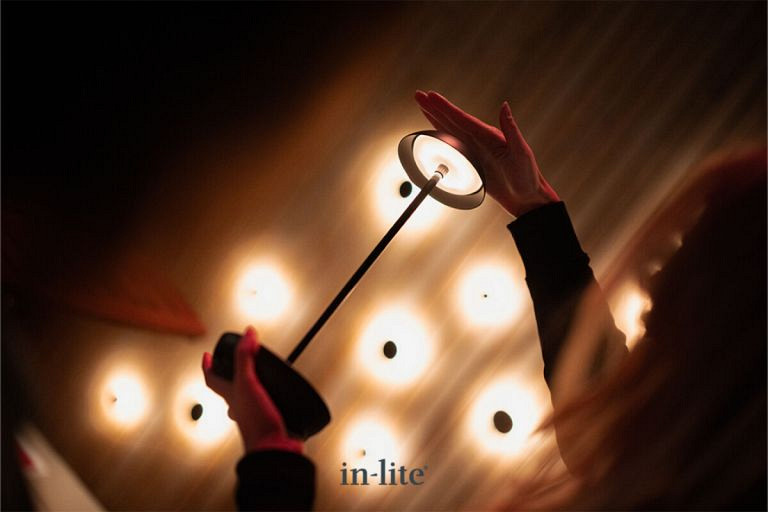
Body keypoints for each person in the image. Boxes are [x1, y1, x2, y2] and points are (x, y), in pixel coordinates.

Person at [203, 91, 766, 510]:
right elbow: (605, 416)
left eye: (689, 257)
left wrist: (272, 463)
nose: (655, 277)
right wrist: (535, 210)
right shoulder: (679, 468)